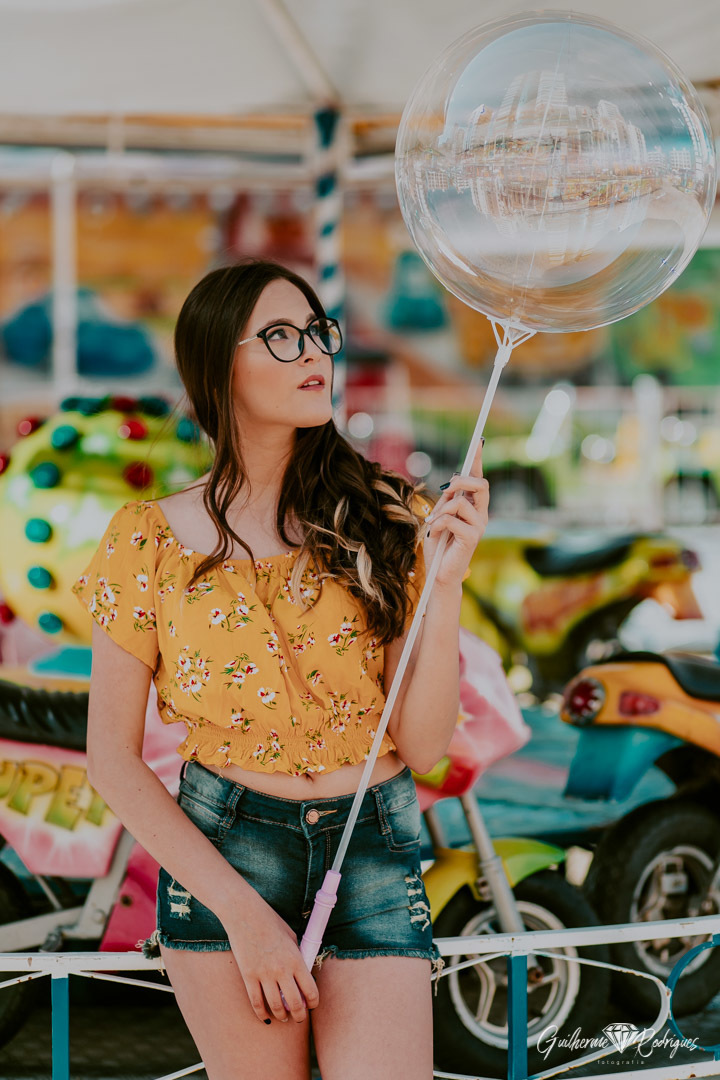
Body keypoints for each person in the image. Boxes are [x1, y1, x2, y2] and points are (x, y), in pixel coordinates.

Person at [72, 259, 489, 1080]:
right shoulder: (145, 540)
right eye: (281, 335)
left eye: (318, 333)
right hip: (226, 849)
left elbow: (426, 742)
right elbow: (111, 759)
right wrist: (243, 916)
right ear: (216, 364)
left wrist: (448, 591)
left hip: (370, 840)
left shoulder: (383, 515)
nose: (314, 355)